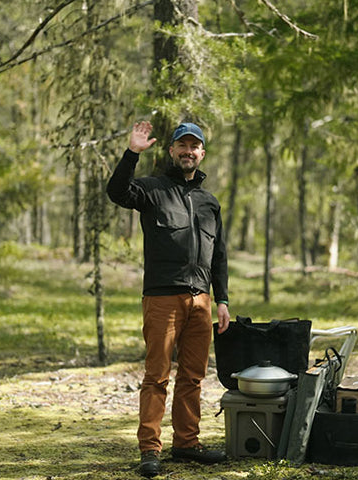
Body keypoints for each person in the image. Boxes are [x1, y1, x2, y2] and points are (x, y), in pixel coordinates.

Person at [107, 120, 231, 477]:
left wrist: (221, 300)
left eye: (195, 146)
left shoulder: (210, 202)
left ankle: (187, 443)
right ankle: (150, 449)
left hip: (202, 300)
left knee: (192, 377)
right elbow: (117, 192)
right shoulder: (152, 190)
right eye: (182, 145)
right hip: (163, 298)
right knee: (156, 375)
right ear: (172, 151)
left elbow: (218, 255)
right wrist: (132, 152)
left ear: (202, 153)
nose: (188, 151)